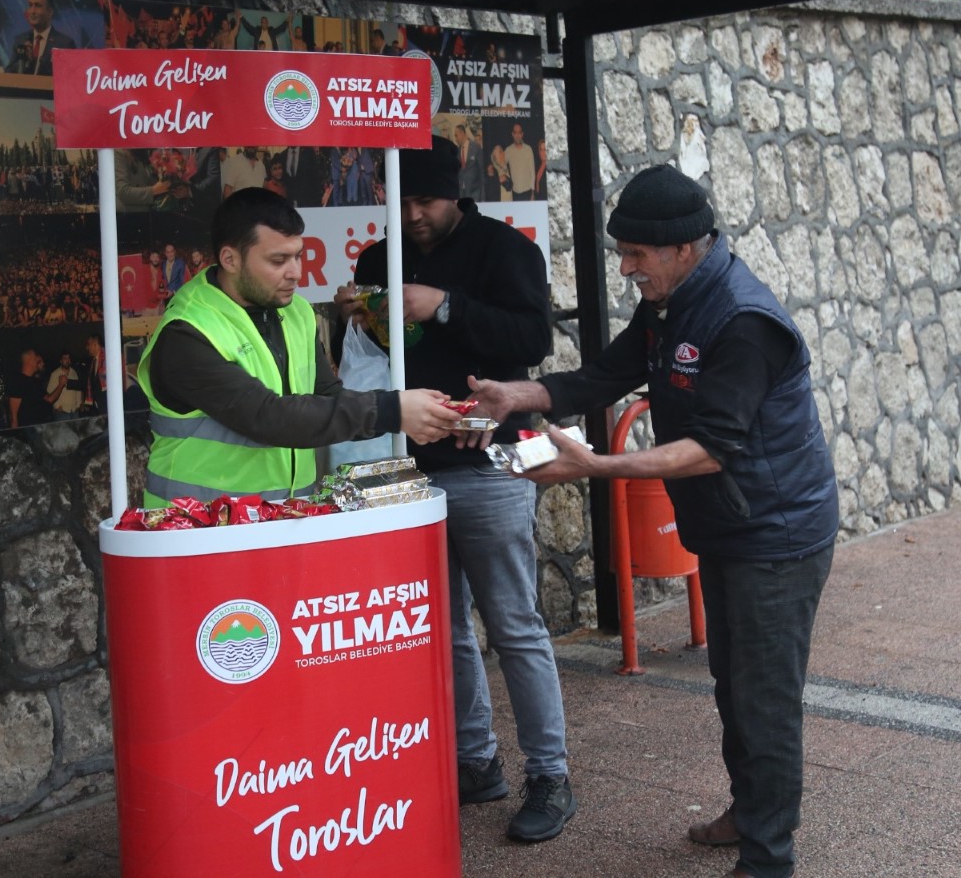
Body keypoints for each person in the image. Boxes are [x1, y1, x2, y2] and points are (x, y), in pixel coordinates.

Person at [466, 165, 838, 878]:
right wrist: (519, 395)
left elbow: (710, 450)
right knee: (734, 685)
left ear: (684, 249)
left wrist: (596, 466)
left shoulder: (744, 322)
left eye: (637, 254)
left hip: (777, 534)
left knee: (764, 699)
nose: (626, 268)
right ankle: (749, 812)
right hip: (728, 526)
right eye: (622, 253)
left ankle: (768, 858)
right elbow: (603, 377)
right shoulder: (669, 305)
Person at [336, 134, 572, 844]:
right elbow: (377, 363)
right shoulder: (377, 259)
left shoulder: (505, 251)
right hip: (400, 470)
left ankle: (551, 776)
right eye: (399, 201)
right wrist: (362, 313)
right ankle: (476, 762)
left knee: (515, 624)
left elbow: (532, 341)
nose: (412, 215)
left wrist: (443, 306)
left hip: (491, 463)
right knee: (441, 628)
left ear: (456, 193)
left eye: (427, 201)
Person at [137, 187, 458, 507]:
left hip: (285, 519)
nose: (296, 273)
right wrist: (393, 410)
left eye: (299, 256)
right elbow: (267, 417)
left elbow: (328, 398)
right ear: (230, 259)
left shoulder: (297, 311)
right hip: (196, 526)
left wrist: (418, 415)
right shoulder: (188, 331)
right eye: (279, 260)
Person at [20, 0, 76, 76]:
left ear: (50, 12)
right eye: (30, 5)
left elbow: (70, 76)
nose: (32, 11)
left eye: (38, 6)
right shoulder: (21, 40)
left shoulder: (65, 44)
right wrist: (23, 62)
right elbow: (9, 72)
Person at [7, 349, 60, 428]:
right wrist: (15, 432)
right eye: (35, 358)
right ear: (30, 361)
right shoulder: (17, 382)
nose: (37, 361)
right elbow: (13, 416)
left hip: (40, 427)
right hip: (28, 429)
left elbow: (48, 399)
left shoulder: (34, 382)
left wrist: (61, 384)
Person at [46, 351, 83, 421]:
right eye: (65, 358)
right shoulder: (55, 374)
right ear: (61, 361)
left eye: (68, 358)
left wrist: (78, 405)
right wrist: (57, 406)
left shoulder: (74, 373)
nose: (67, 360)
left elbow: (77, 390)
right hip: (61, 412)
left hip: (74, 412)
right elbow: (49, 392)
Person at [505, 123, 536, 201]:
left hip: (527, 192)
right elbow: (500, 163)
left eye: (519, 133)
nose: (517, 136)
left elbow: (532, 172)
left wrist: (532, 193)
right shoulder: (508, 150)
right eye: (515, 133)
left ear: (522, 134)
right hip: (514, 193)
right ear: (512, 134)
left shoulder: (528, 149)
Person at [455, 124, 485, 201]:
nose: (455, 139)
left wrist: (482, 196)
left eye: (456, 135)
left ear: (462, 133)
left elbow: (482, 171)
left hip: (474, 192)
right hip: (461, 192)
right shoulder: (457, 151)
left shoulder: (476, 147)